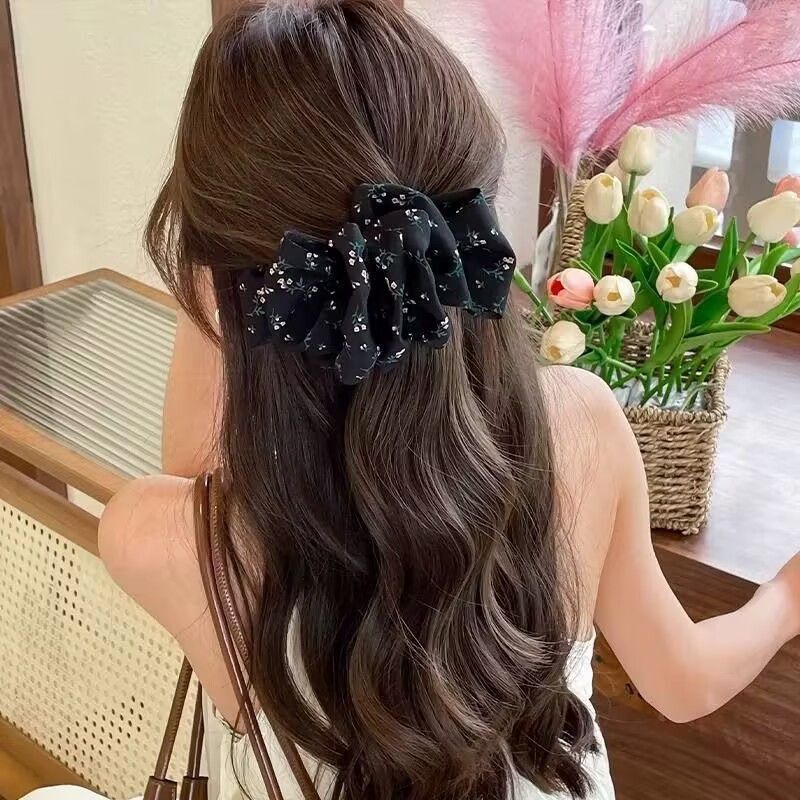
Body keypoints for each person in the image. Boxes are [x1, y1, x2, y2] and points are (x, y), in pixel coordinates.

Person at [97, 1, 800, 798]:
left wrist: (218, 266)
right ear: (470, 227)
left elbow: (193, 466)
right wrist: (784, 600)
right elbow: (684, 682)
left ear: (218, 284)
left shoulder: (160, 539)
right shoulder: (584, 424)